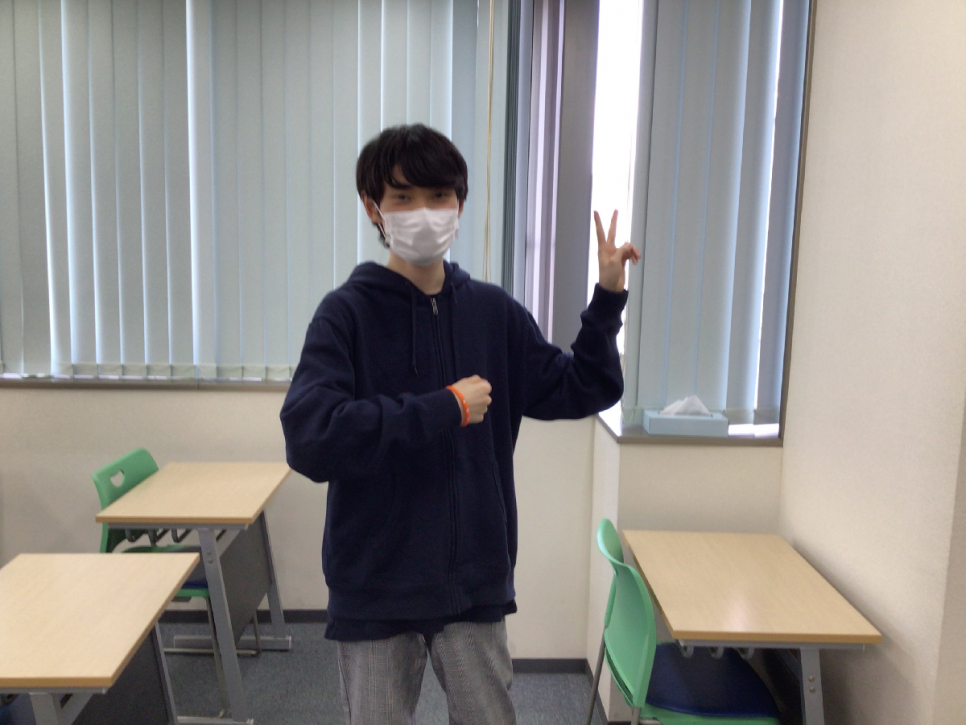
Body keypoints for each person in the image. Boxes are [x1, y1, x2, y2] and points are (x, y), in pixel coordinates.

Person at [280, 123, 640, 725]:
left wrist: (606, 300)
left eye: (439, 195)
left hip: (473, 581)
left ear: (460, 204)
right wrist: (442, 407)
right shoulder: (346, 315)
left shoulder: (492, 312)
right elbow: (311, 436)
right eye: (402, 197)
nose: (424, 212)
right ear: (373, 207)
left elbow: (585, 386)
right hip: (375, 584)